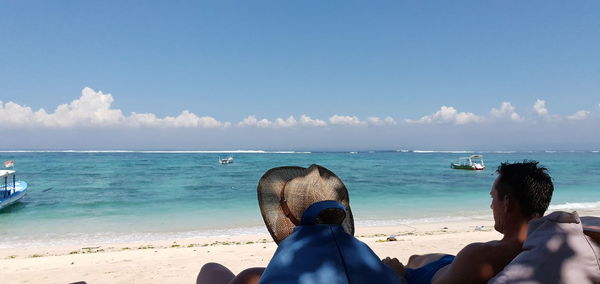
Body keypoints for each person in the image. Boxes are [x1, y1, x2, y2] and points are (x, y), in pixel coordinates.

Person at [382, 160, 555, 284]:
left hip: (441, 275)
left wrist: (396, 276)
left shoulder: (479, 257)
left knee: (405, 262)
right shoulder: (550, 242)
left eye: (493, 198)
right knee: (415, 257)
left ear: (507, 203)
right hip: (453, 265)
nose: (490, 206)